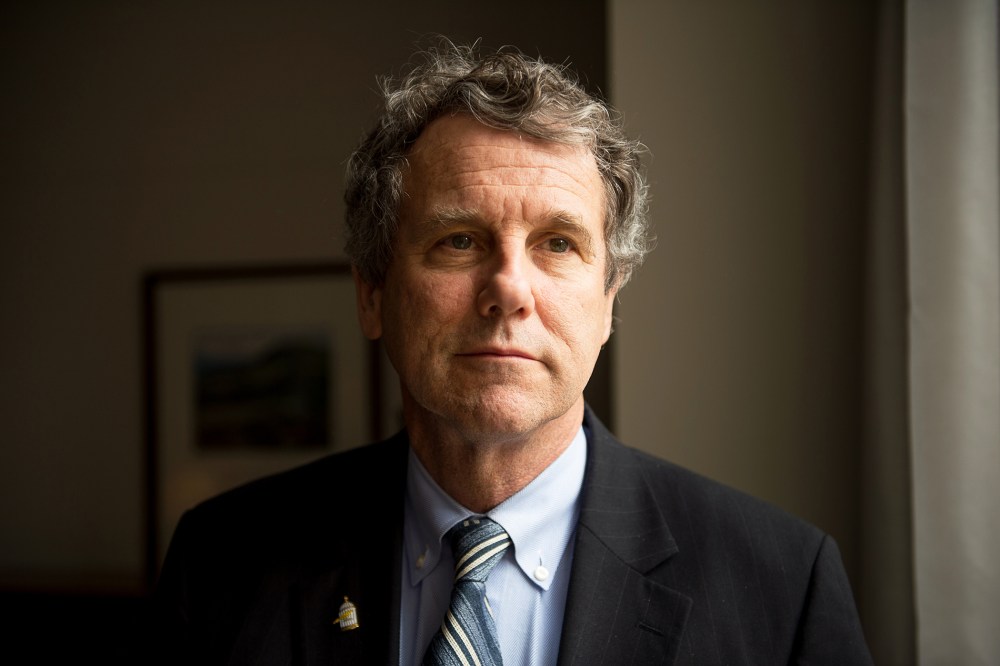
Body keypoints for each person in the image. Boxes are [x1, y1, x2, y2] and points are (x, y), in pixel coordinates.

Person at [146, 40, 873, 665]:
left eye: (558, 244)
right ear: (373, 293)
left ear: (609, 300)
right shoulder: (222, 561)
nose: (508, 291)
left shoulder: (782, 587)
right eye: (458, 240)